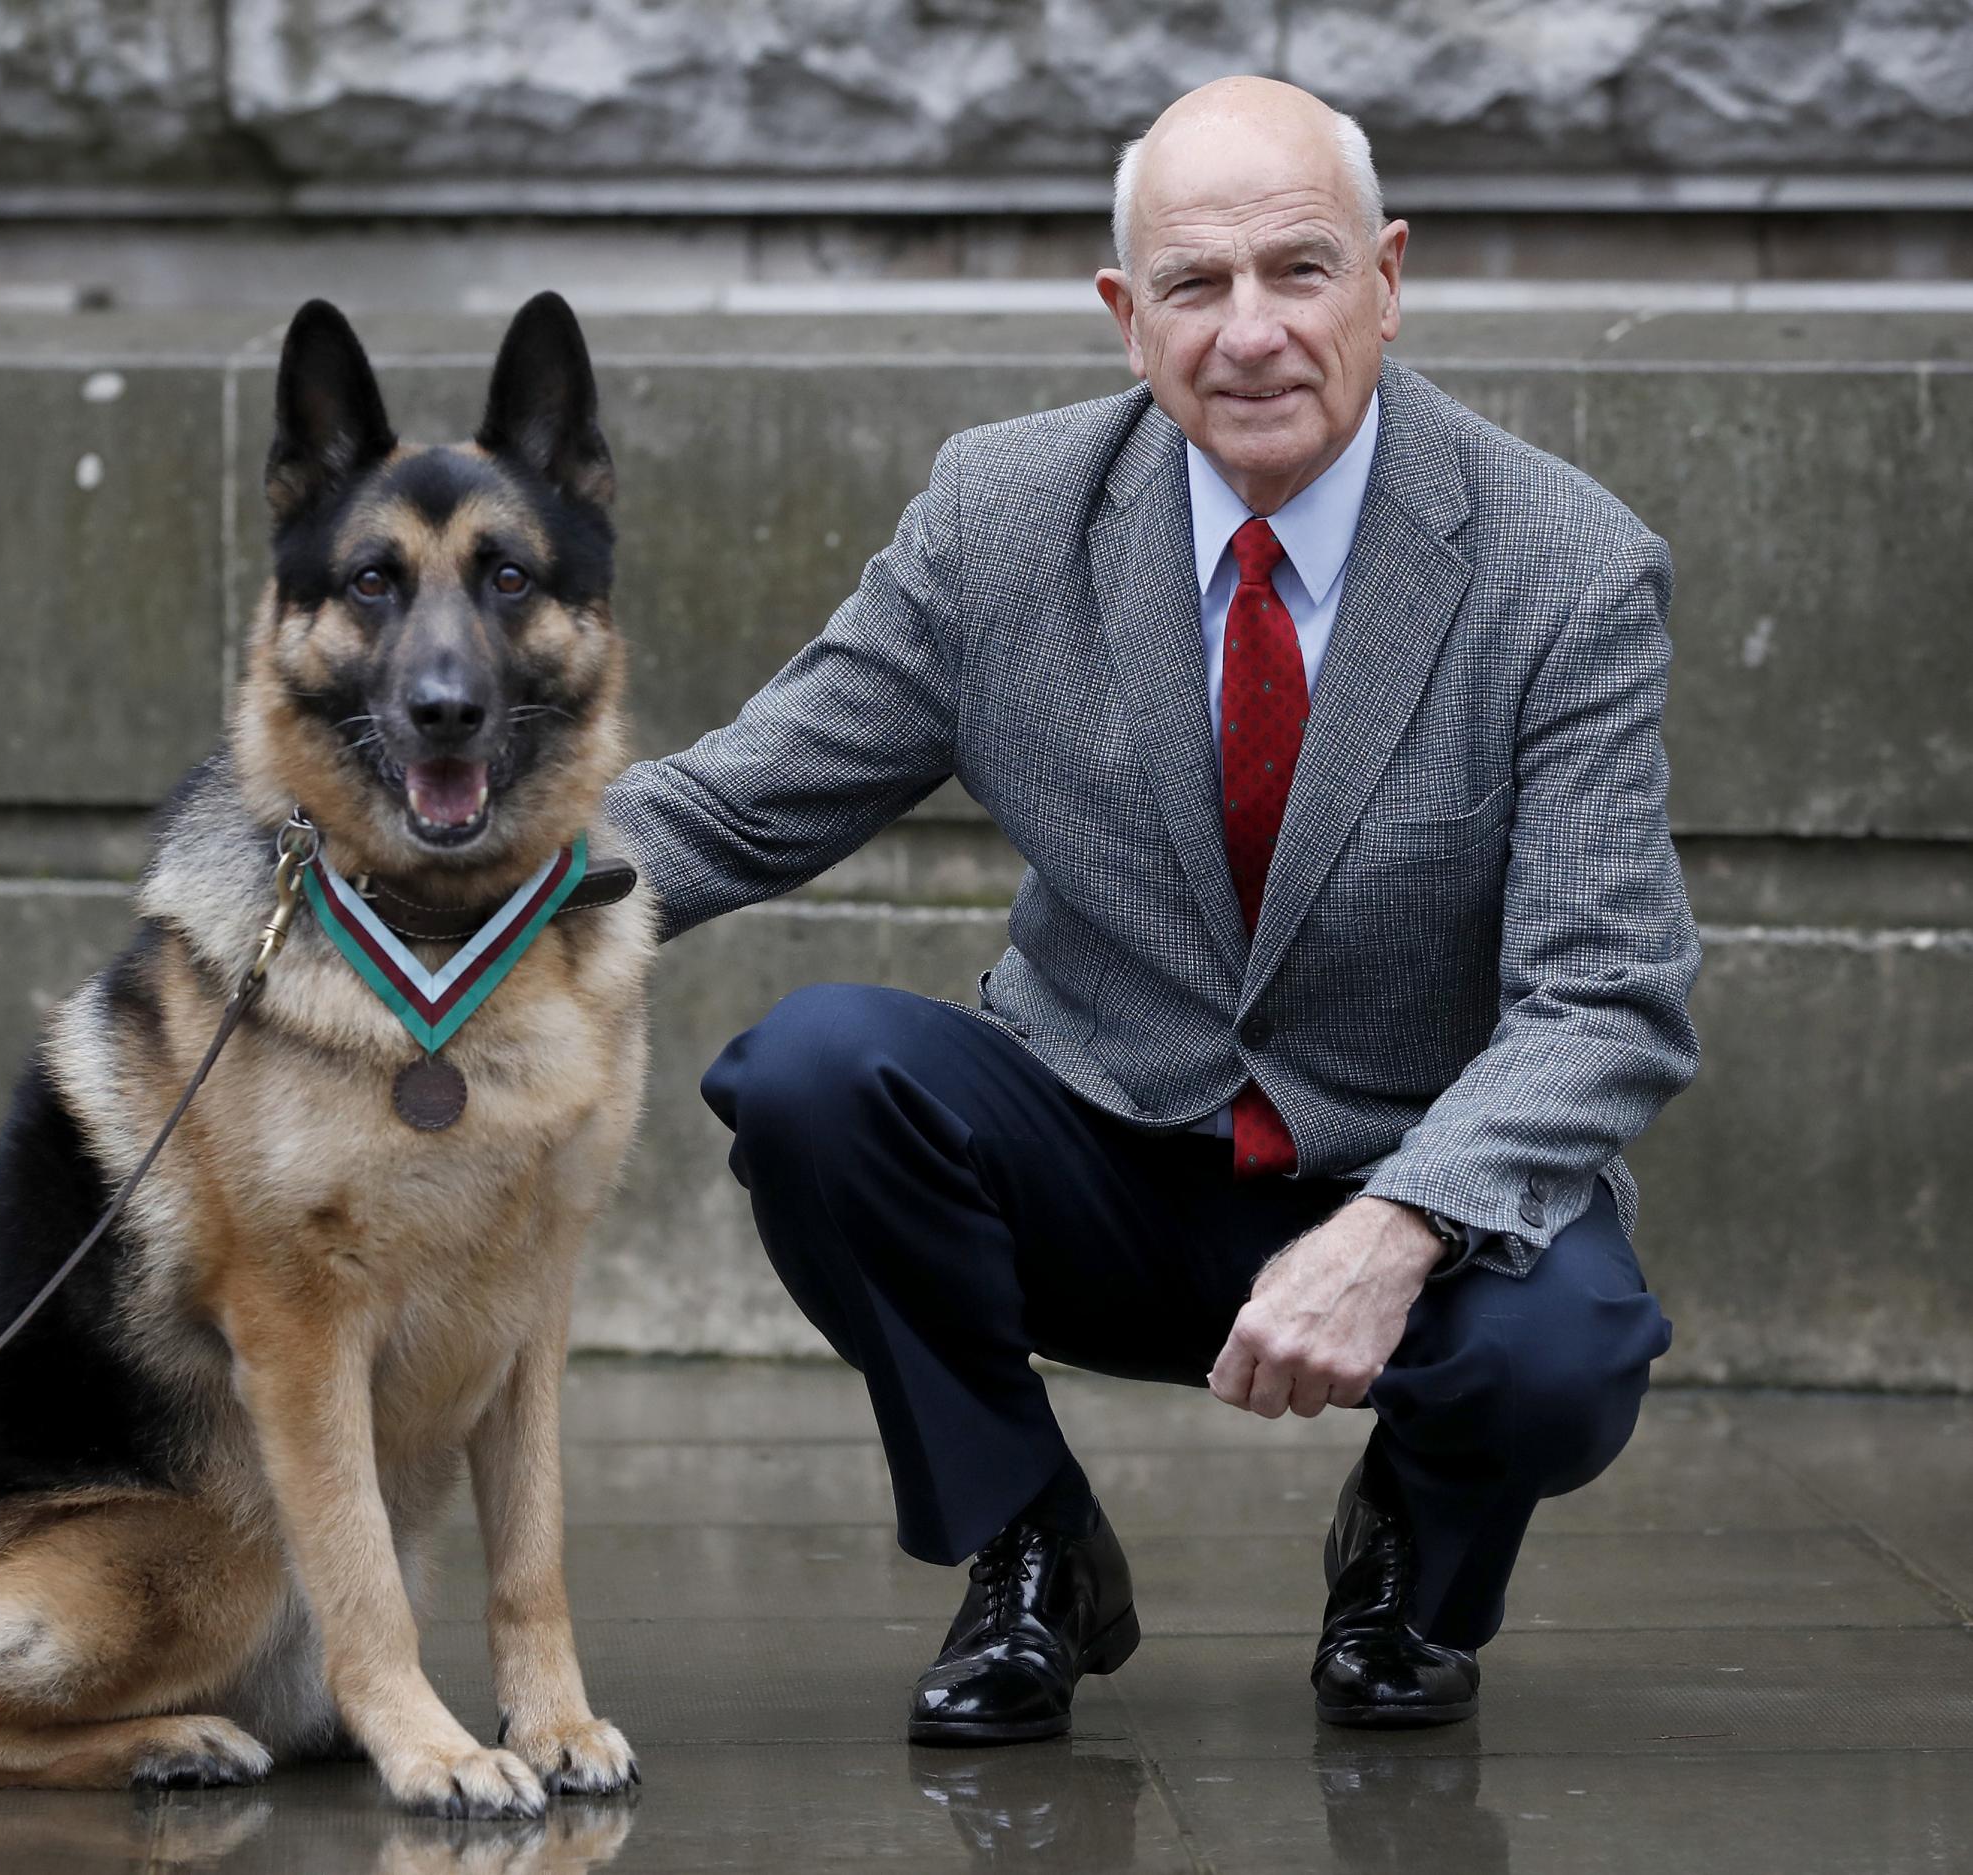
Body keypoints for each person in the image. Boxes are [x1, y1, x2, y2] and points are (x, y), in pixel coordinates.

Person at [600, 74, 1696, 1740]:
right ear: (1129, 318)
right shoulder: (1002, 516)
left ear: (1387, 281)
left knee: (1567, 1346)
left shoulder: (1564, 566)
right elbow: (735, 801)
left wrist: (1399, 1233)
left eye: (1300, 271)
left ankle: (1411, 1559)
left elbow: (1607, 996)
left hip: (1410, 1176)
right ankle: (1029, 1545)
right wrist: (426, 909)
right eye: (1195, 285)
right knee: (812, 1077)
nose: (1249, 332)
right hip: (1100, 1144)